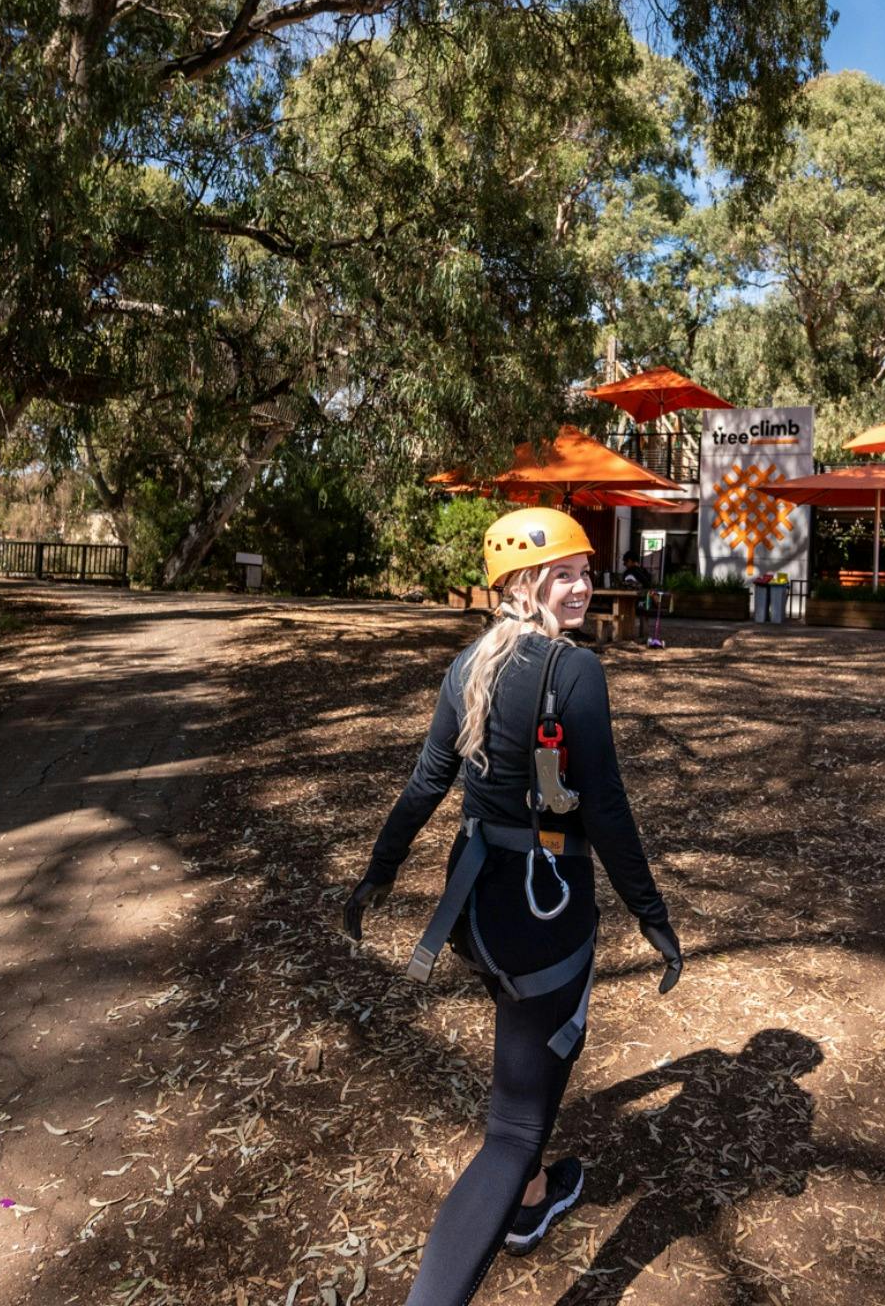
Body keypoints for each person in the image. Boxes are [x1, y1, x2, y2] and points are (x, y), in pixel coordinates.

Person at [343, 507, 683, 1305]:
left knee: (522, 1062)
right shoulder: (575, 673)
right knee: (512, 1131)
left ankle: (531, 1208)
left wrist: (380, 873)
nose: (582, 585)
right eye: (561, 573)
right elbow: (604, 806)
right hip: (544, 911)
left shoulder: (468, 665)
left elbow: (430, 781)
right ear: (520, 586)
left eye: (584, 570)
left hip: (477, 910)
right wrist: (653, 914)